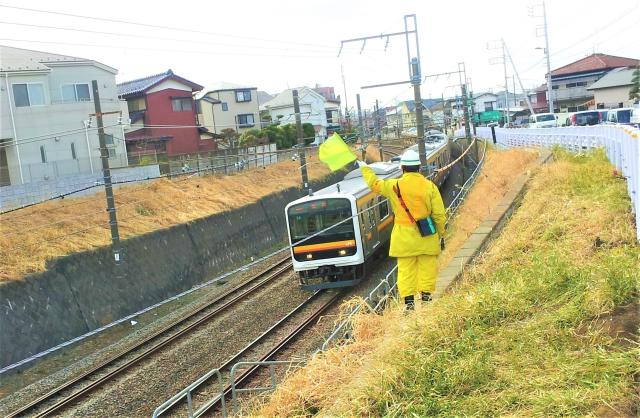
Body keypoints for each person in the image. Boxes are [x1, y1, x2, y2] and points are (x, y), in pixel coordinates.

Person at [357, 149, 446, 310]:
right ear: (419, 167)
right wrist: (441, 234)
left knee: (405, 271)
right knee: (427, 268)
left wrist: (365, 168)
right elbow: (439, 214)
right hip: (426, 235)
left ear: (402, 168)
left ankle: (409, 304)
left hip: (403, 239)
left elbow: (374, 185)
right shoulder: (429, 187)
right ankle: (426, 299)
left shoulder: (393, 186)